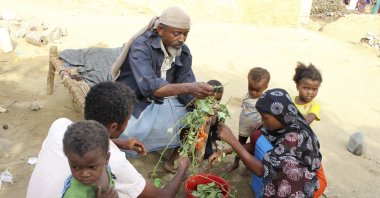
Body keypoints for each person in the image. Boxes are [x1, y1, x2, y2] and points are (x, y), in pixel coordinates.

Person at [27, 82, 191, 198]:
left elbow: (86, 138)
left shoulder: (60, 125)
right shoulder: (114, 162)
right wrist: (183, 167)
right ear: (114, 127)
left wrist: (119, 143)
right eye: (127, 120)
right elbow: (163, 196)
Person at [114, 6, 214, 171]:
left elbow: (186, 85)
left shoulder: (183, 52)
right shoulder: (141, 47)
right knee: (125, 132)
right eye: (177, 33)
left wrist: (202, 104)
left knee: (198, 116)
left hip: (161, 99)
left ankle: (173, 159)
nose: (182, 39)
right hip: (135, 100)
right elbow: (151, 88)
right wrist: (189, 87)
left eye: (185, 34)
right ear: (160, 30)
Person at [209, 88, 323, 197]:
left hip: (303, 183)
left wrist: (233, 141)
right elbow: (254, 145)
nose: (262, 122)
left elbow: (262, 170)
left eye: (265, 118)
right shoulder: (284, 123)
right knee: (258, 134)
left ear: (279, 114)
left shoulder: (294, 138)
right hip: (288, 174)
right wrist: (224, 152)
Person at [225, 67, 270, 172]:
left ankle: (248, 166)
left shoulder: (265, 100)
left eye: (257, 90)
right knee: (240, 144)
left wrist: (261, 123)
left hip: (257, 129)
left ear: (265, 87)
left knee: (253, 146)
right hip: (243, 127)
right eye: (251, 88)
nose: (253, 92)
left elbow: (268, 117)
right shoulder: (246, 95)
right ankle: (236, 162)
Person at [292, 62, 327, 197]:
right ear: (297, 86)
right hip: (288, 137)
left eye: (315, 89)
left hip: (304, 141)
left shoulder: (314, 105)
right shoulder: (290, 99)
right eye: (306, 88)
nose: (310, 92)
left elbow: (308, 119)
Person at [62, 120, 118, 198]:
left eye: (92, 167)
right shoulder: (73, 194)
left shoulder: (105, 168)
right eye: (76, 167)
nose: (84, 174)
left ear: (106, 159)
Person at [203, 79, 224, 160]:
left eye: (218, 100)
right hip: (199, 135)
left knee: (208, 153)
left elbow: (217, 135)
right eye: (211, 101)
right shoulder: (198, 110)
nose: (215, 104)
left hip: (208, 134)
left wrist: (219, 150)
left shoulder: (220, 113)